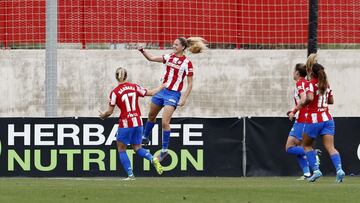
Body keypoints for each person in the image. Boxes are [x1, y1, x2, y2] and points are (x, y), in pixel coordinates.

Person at [138, 37, 206, 162]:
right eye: (173, 44)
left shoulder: (187, 63)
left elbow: (190, 83)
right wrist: (142, 50)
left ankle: (164, 151)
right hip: (161, 91)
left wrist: (184, 98)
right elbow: (151, 58)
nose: (173, 46)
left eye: (176, 44)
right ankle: (145, 137)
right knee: (151, 116)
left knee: (165, 122)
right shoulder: (169, 57)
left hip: (173, 95)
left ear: (183, 47)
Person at [99, 67, 164, 180]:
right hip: (138, 121)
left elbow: (109, 112)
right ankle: (153, 159)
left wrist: (103, 115)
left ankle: (130, 175)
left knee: (121, 149)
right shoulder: (134, 87)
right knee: (137, 147)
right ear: (126, 76)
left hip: (125, 123)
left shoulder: (114, 92)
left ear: (116, 77)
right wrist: (163, 86)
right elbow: (151, 92)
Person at [301, 62, 345, 183]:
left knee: (306, 145)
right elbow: (331, 101)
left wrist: (302, 104)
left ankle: (316, 170)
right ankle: (339, 169)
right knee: (331, 147)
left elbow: (309, 98)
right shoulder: (326, 85)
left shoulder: (311, 84)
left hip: (313, 119)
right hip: (328, 119)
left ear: (312, 73)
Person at [286, 63, 311, 180]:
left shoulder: (300, 83)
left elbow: (304, 99)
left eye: (293, 70)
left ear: (297, 72)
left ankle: (313, 153)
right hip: (305, 117)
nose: (293, 73)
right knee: (298, 147)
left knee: (290, 147)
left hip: (302, 118)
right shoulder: (307, 83)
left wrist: (294, 111)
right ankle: (307, 174)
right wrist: (293, 111)